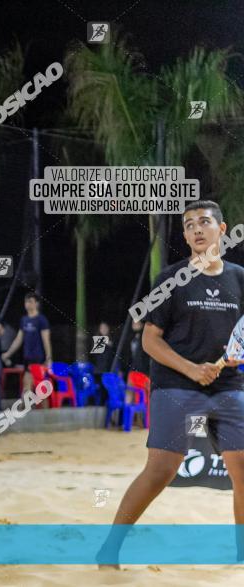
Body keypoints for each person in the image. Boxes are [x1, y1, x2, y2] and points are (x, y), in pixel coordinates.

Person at [98, 200, 244, 567]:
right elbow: (150, 341)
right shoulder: (170, 279)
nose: (196, 229)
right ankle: (110, 547)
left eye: (204, 222)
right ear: (185, 235)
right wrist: (193, 370)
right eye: (189, 224)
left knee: (242, 465)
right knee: (161, 469)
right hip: (177, 385)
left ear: (221, 230)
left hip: (229, 384)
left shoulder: (240, 279)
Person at [1, 292, 52, 391]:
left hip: (38, 357)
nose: (28, 304)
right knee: (29, 386)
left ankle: (25, 406)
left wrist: (49, 357)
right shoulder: (24, 320)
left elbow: (46, 340)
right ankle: (26, 405)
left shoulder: (41, 320)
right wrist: (8, 354)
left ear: (36, 304)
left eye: (31, 301)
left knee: (32, 385)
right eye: (26, 301)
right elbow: (18, 340)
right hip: (27, 357)